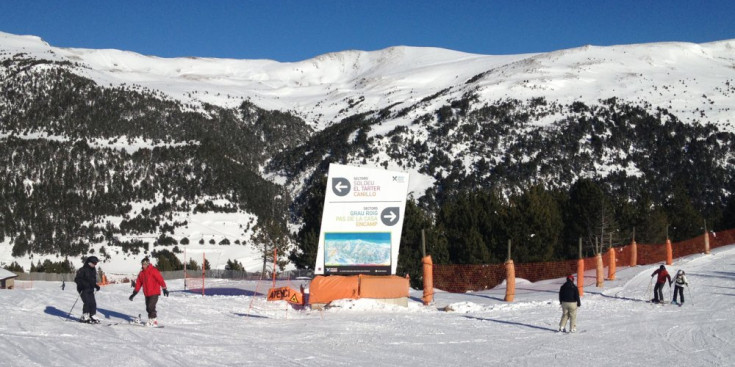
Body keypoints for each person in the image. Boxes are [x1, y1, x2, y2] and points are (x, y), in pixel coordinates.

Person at [129, 257, 169, 326]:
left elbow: (160, 279)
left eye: (144, 264)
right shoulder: (142, 273)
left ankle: (153, 320)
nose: (143, 266)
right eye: (142, 264)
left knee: (151, 306)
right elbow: (138, 283)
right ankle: (152, 320)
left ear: (147, 264)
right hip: (147, 293)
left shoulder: (153, 270)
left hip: (154, 292)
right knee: (148, 308)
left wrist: (164, 288)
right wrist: (134, 293)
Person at [74, 256, 101, 323]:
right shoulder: (82, 270)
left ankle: (92, 315)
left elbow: (92, 281)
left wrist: (95, 285)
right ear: (89, 262)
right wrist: (84, 284)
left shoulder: (93, 270)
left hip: (90, 288)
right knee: (87, 302)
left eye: (96, 263)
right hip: (83, 289)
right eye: (94, 263)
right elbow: (77, 279)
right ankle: (85, 315)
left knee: (93, 303)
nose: (94, 265)